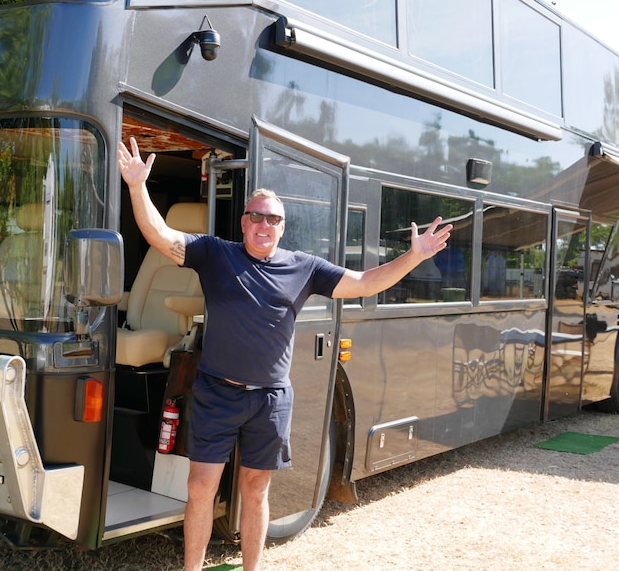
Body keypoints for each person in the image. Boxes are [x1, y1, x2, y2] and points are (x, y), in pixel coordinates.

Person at [118, 137, 452, 571]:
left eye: (272, 219)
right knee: (201, 487)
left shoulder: (304, 267)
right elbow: (159, 235)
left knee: (256, 490)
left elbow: (366, 282)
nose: (264, 224)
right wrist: (137, 186)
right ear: (243, 222)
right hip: (217, 392)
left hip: (270, 399)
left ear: (282, 227)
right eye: (256, 216)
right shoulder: (216, 254)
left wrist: (413, 256)